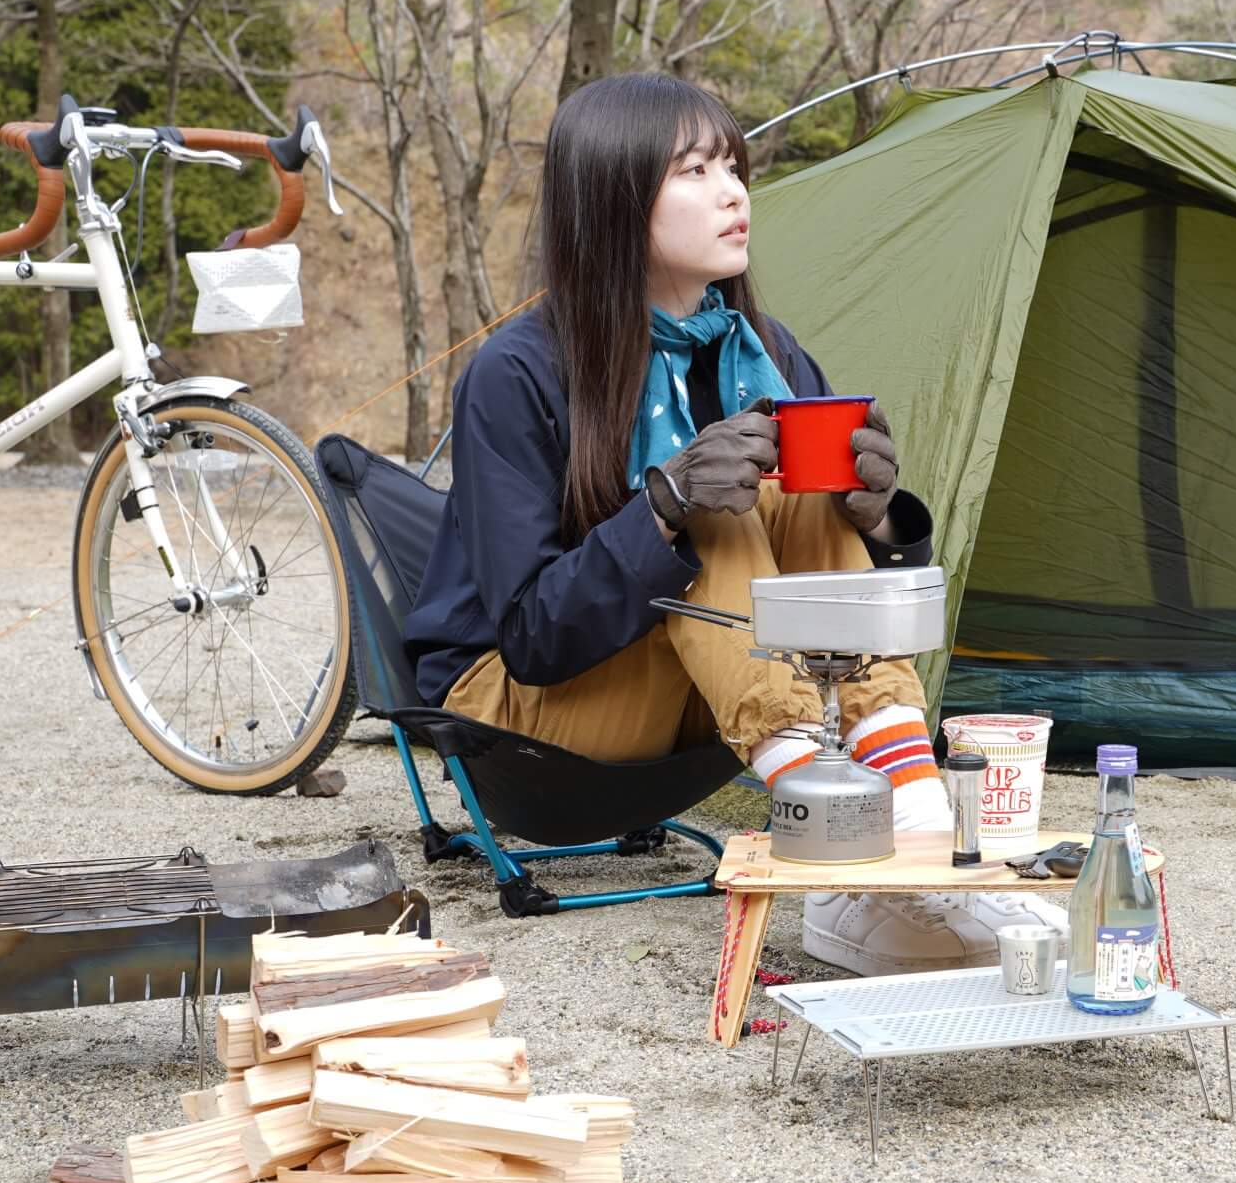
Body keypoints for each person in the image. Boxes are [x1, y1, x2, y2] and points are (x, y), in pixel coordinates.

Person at [402, 72, 1059, 975]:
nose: (734, 192)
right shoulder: (515, 374)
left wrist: (881, 518)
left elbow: (853, 562)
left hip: (705, 701)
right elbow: (532, 639)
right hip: (526, 724)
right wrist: (665, 501)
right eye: (694, 171)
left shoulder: (768, 351)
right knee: (710, 509)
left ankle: (901, 823)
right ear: (613, 197)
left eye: (734, 167)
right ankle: (858, 845)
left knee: (799, 476)